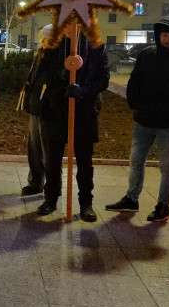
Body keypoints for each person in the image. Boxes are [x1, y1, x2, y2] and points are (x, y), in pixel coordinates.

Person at [105, 15, 169, 222]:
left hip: (168, 123)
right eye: (164, 35)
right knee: (136, 160)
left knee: (166, 165)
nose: (166, 40)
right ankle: (132, 199)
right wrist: (135, 104)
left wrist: (164, 107)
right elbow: (135, 80)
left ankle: (163, 205)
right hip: (144, 120)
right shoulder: (148, 54)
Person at [36, 26, 110, 222]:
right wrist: (60, 74)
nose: (70, 27)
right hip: (55, 113)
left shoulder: (95, 46)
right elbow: (41, 74)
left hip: (84, 114)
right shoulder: (54, 45)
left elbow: (103, 79)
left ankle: (86, 203)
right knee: (52, 160)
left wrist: (83, 91)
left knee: (85, 163)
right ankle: (50, 199)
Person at [20, 25, 52, 197]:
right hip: (35, 108)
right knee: (33, 147)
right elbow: (33, 76)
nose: (42, 41)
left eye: (45, 38)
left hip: (48, 110)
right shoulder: (39, 55)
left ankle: (51, 185)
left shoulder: (56, 56)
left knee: (48, 150)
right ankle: (35, 181)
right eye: (41, 38)